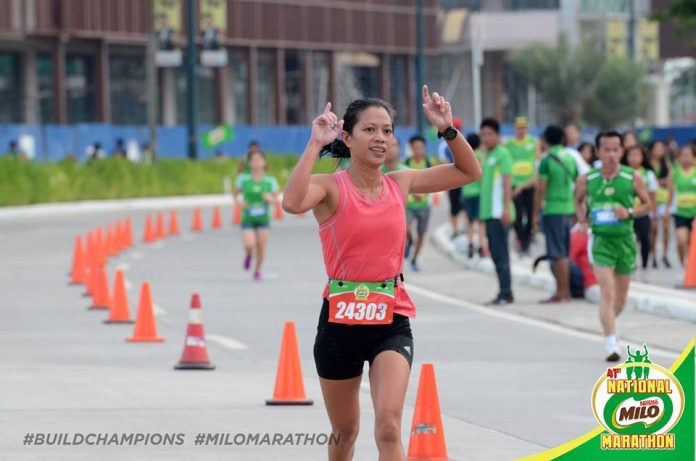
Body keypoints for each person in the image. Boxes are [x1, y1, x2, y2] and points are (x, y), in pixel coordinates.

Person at [282, 87, 481, 460]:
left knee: (388, 427)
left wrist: (448, 128)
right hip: (339, 324)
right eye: (370, 130)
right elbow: (292, 202)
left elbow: (469, 171)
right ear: (347, 137)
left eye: (387, 131)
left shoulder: (399, 182)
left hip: (391, 318)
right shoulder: (329, 188)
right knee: (345, 432)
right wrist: (313, 145)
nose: (380, 139)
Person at [574, 131, 650, 362]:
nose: (611, 155)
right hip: (601, 241)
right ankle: (611, 343)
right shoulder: (587, 179)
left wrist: (628, 212)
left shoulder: (632, 177)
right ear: (598, 152)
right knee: (606, 292)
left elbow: (648, 204)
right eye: (606, 150)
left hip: (625, 241)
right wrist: (582, 220)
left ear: (622, 151)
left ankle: (608, 324)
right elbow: (577, 200)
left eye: (615, 149)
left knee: (621, 299)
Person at [534, 125, 578, 303]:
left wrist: (535, 213)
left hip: (553, 210)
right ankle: (565, 292)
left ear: (545, 140)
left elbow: (541, 189)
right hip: (568, 209)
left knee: (557, 254)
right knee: (564, 253)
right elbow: (577, 181)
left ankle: (561, 292)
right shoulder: (570, 157)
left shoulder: (546, 160)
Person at [479, 117, 515, 305]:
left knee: (501, 254)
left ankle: (506, 293)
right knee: (495, 253)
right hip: (489, 213)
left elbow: (507, 181)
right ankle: (503, 290)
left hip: (499, 212)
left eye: (489, 134)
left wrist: (507, 208)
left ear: (498, 135)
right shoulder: (487, 155)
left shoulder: (502, 154)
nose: (486, 138)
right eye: (483, 134)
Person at [233, 150, 280, 281]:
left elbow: (276, 200)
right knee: (250, 244)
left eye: (259, 159)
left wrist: (268, 198)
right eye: (253, 160)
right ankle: (248, 254)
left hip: (263, 219)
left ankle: (258, 270)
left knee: (261, 245)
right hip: (247, 218)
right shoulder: (244, 179)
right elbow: (235, 194)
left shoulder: (270, 180)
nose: (256, 162)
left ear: (264, 162)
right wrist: (239, 203)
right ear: (249, 162)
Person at [622, 145, 658, 277]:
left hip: (642, 212)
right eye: (631, 155)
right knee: (629, 239)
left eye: (638, 155)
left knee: (644, 238)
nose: (634, 158)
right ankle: (630, 262)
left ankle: (644, 263)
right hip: (626, 213)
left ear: (642, 157)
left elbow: (653, 196)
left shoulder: (648, 174)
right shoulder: (622, 172)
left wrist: (654, 215)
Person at [507, 116, 539, 256]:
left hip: (530, 184)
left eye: (524, 127)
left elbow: (537, 162)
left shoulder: (533, 142)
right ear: (515, 128)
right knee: (518, 216)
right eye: (519, 127)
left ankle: (526, 242)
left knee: (530, 213)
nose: (522, 130)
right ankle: (520, 240)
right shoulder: (509, 143)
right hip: (515, 184)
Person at [404, 135, 432, 272]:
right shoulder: (406, 163)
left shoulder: (428, 163)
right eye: (415, 148)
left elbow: (435, 182)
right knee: (406, 229)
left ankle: (414, 259)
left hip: (425, 206)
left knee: (421, 234)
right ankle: (409, 241)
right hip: (409, 205)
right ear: (411, 149)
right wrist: (414, 194)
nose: (418, 150)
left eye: (420, 147)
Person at [668, 144, 696, 267]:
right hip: (680, 212)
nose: (686, 158)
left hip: (694, 213)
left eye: (688, 155)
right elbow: (670, 192)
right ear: (679, 157)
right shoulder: (674, 171)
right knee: (681, 241)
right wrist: (667, 210)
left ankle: (691, 268)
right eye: (683, 155)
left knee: (691, 242)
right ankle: (682, 264)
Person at [461, 133, 487, 258]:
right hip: (479, 193)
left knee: (469, 221)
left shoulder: (466, 156)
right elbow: (482, 175)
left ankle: (470, 244)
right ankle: (481, 246)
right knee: (481, 221)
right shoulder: (482, 156)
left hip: (466, 193)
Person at [438, 117, 466, 237]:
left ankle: (463, 228)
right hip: (453, 180)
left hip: (464, 179)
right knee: (454, 205)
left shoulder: (463, 142)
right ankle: (455, 230)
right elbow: (445, 163)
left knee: (464, 205)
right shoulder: (444, 145)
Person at [648, 140, 673, 268]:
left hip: (663, 200)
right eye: (656, 148)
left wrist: (669, 206)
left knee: (666, 227)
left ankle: (665, 254)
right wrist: (658, 182)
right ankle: (653, 255)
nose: (659, 151)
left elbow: (670, 184)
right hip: (652, 200)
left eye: (661, 148)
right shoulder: (647, 165)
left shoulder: (667, 165)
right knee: (653, 229)